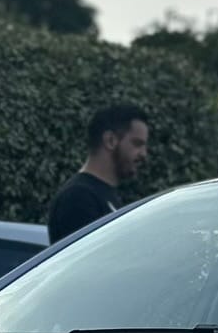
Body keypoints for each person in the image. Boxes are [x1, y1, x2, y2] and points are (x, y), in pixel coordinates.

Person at [49, 102, 150, 242]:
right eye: (137, 144)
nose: (143, 154)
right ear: (110, 140)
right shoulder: (78, 198)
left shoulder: (103, 196)